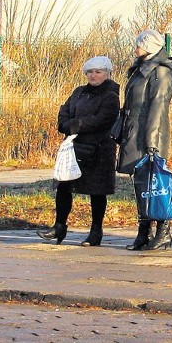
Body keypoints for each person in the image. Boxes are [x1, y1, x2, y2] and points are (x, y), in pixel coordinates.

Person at [37, 56, 120, 246]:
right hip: (74, 147)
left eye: (98, 72)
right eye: (90, 72)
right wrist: (65, 124)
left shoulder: (110, 95)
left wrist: (78, 124)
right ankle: (59, 226)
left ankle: (95, 231)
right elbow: (64, 109)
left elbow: (104, 119)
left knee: (97, 192)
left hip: (99, 149)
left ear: (107, 73)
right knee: (64, 185)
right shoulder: (79, 92)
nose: (93, 75)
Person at [117, 29, 172, 251]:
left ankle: (164, 232)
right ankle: (143, 232)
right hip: (134, 132)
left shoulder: (161, 73)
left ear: (150, 46)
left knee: (156, 185)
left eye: (140, 43)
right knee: (140, 184)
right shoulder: (140, 69)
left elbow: (158, 108)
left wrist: (152, 143)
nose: (136, 47)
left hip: (149, 135)